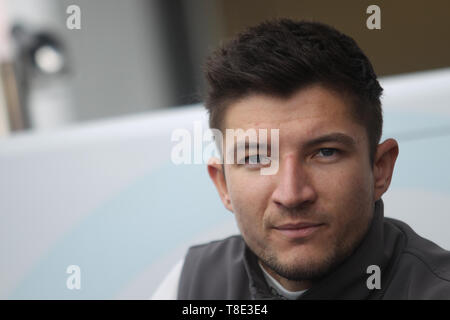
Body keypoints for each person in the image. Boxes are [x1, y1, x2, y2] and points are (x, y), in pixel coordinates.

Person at [152, 19, 450, 299]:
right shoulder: (189, 286)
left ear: (380, 169)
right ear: (223, 184)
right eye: (257, 157)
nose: (292, 195)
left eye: (325, 152)